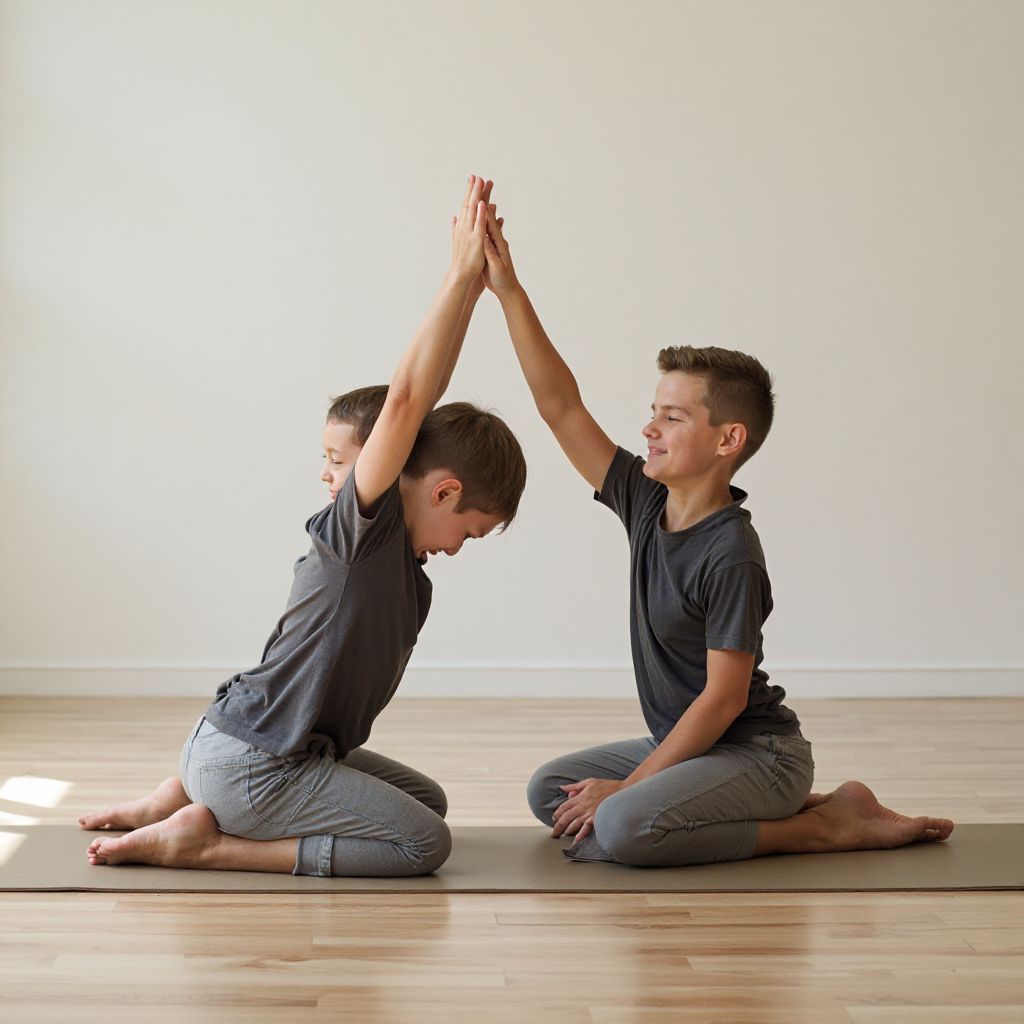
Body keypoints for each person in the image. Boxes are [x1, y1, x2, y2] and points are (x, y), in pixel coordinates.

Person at [479, 202, 954, 866]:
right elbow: (560, 407)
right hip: (690, 742)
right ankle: (789, 805)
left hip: (758, 751)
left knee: (620, 828)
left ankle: (825, 826)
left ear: (728, 439)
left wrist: (628, 790)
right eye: (652, 413)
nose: (648, 429)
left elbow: (725, 698)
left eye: (671, 418)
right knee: (550, 792)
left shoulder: (731, 552)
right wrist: (508, 292)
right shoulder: (646, 501)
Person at [83, 174, 527, 877]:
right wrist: (461, 280)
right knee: (421, 845)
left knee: (428, 802)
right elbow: (409, 396)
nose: (459, 548)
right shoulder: (360, 533)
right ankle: (209, 841)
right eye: (469, 531)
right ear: (443, 492)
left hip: (255, 749)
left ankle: (189, 792)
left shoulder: (402, 566)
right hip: (256, 765)